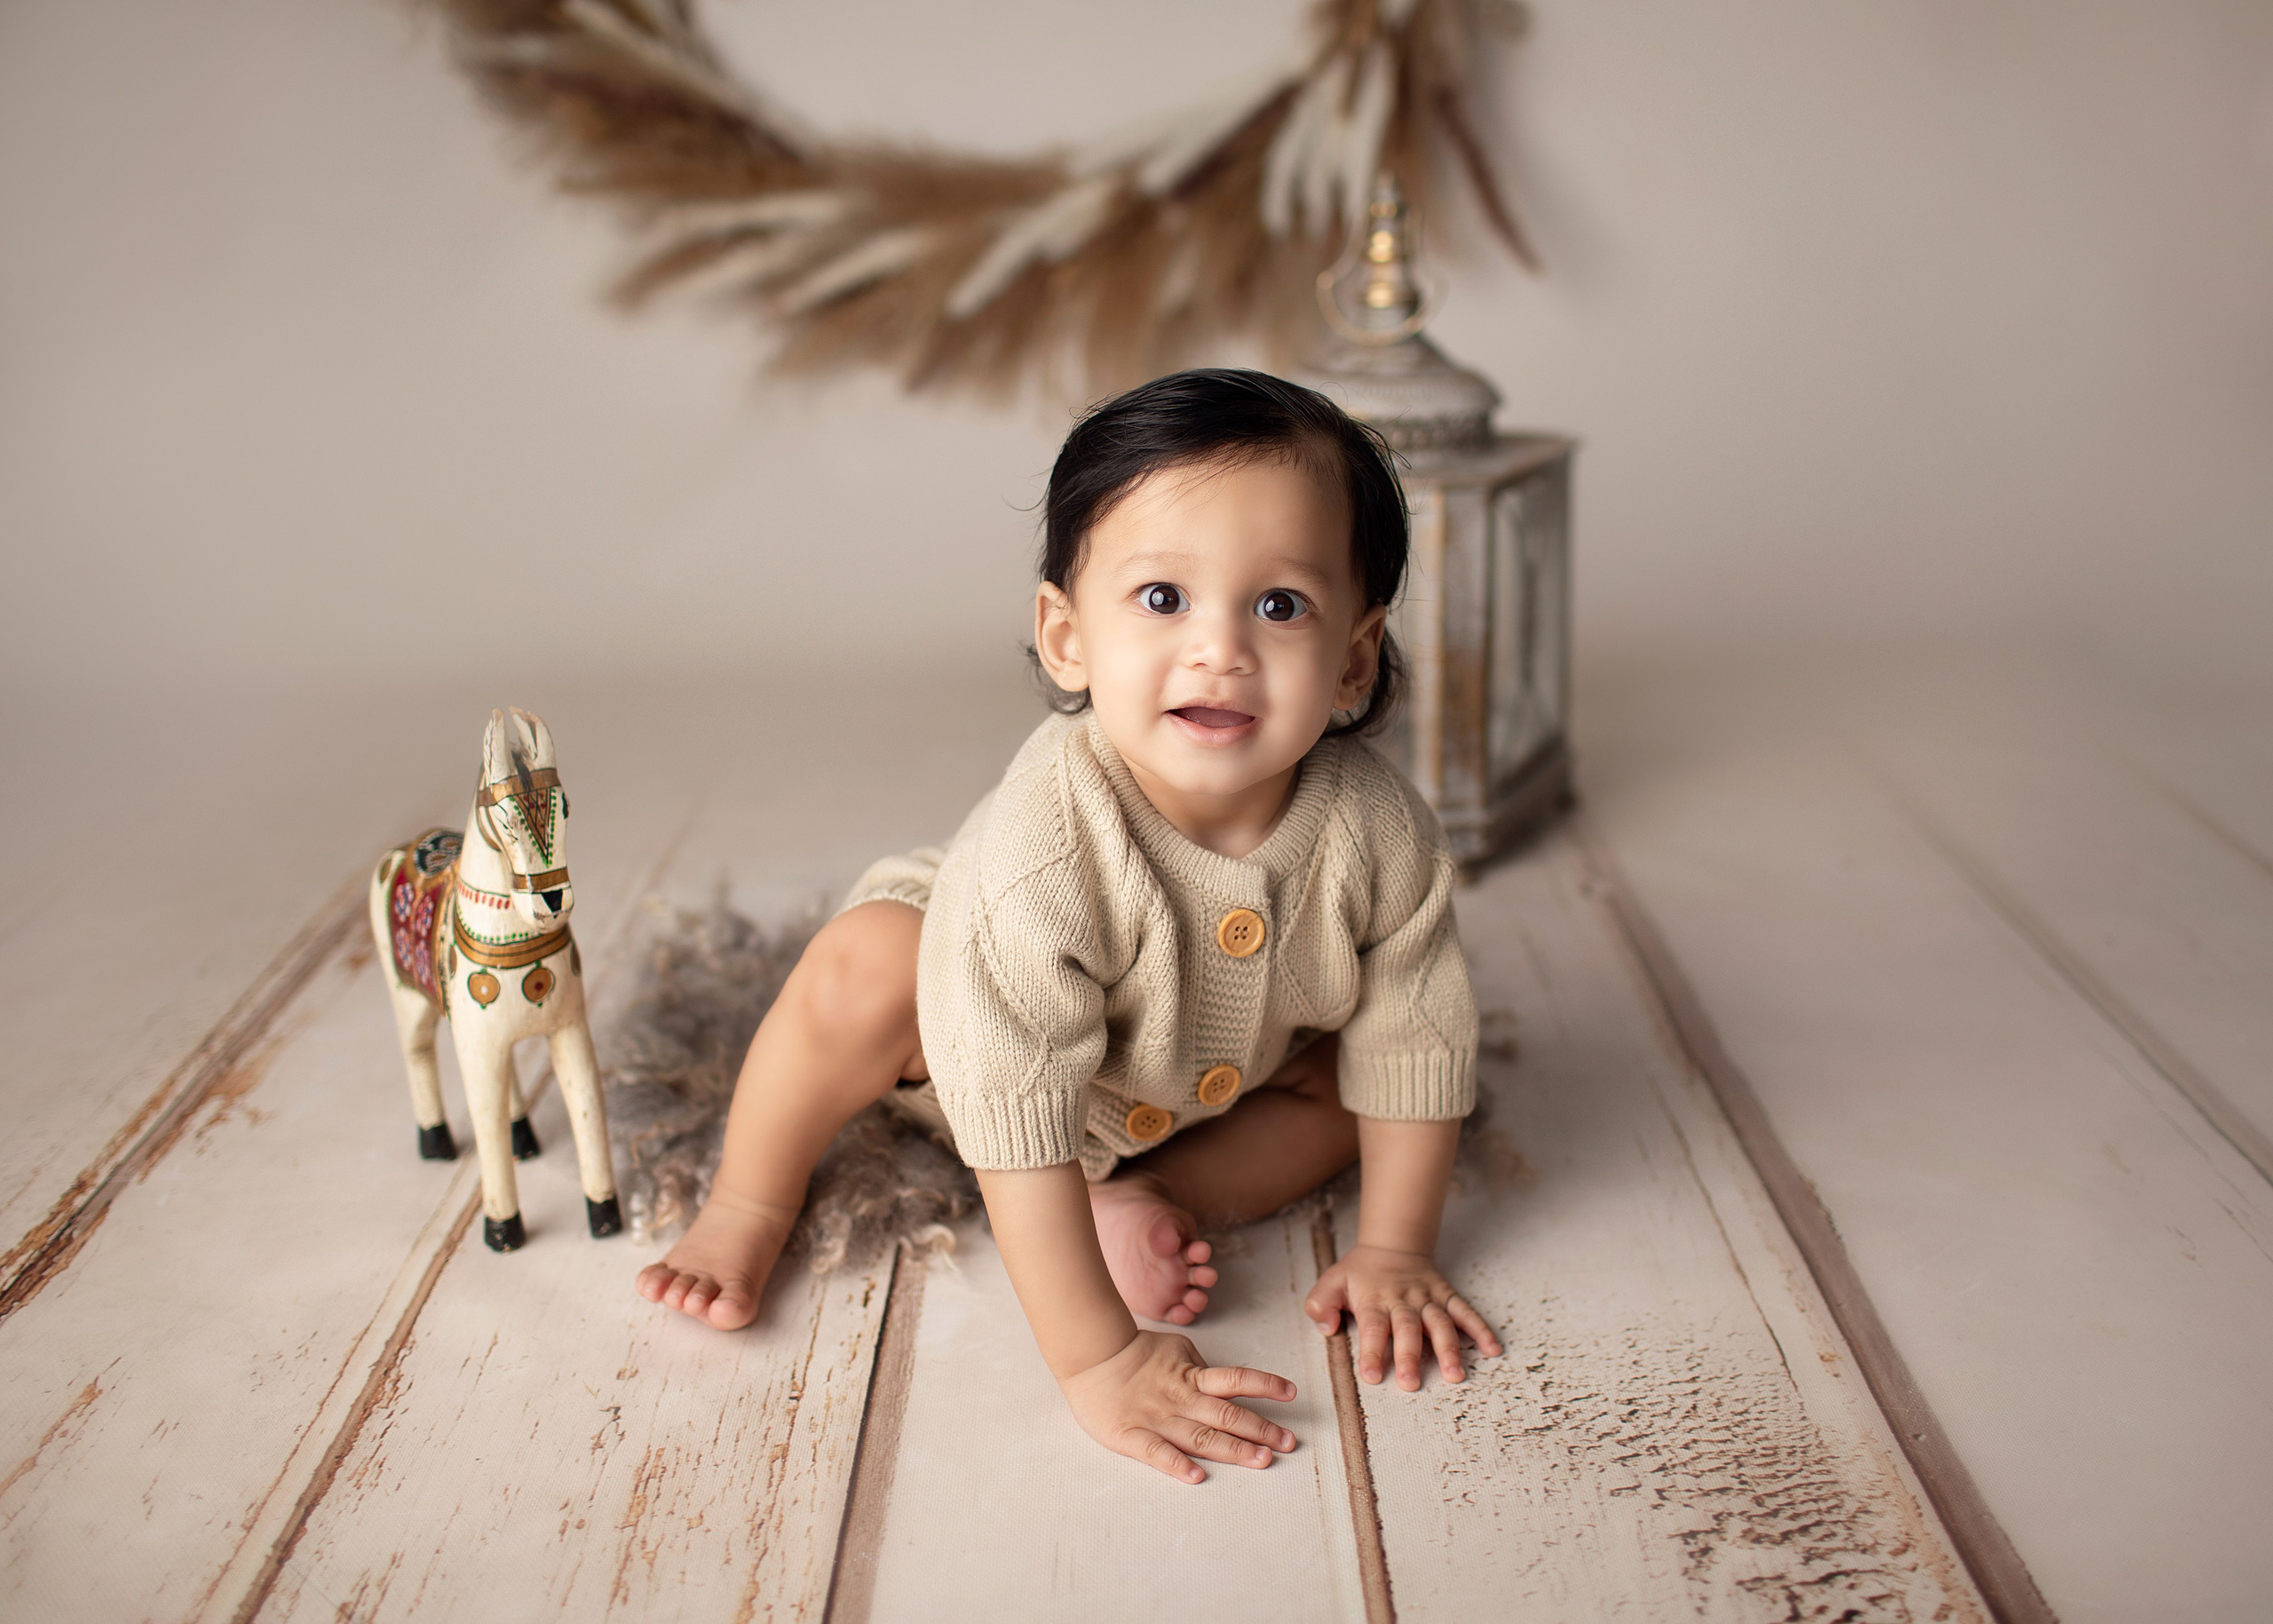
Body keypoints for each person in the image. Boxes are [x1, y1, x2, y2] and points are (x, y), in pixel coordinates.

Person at [636, 368, 1501, 1483]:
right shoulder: (1046, 846)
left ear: (1351, 659)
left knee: (1371, 1084)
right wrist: (1102, 1361)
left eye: (1278, 605)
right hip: (969, 1066)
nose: (1219, 648)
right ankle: (746, 1200)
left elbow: (1419, 1033)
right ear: (1065, 635)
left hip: (1204, 1077)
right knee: (862, 966)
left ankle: (1148, 1190)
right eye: (1161, 599)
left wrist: (1395, 1248)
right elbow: (1011, 1094)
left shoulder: (1379, 833)